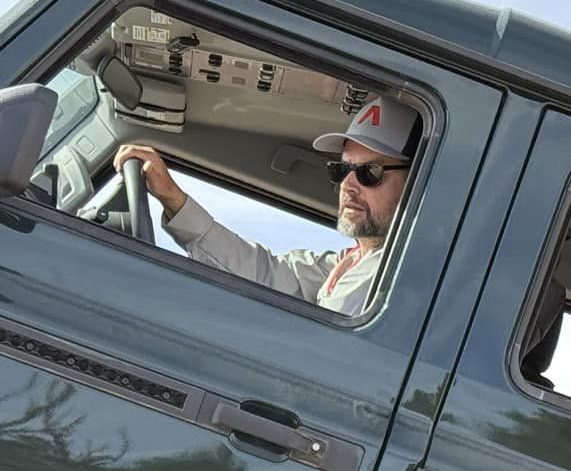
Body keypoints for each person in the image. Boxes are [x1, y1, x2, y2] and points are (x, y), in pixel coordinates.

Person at [112, 97, 419, 314]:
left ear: (418, 184)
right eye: (341, 170)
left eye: (370, 173)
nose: (348, 186)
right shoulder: (348, 262)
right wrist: (174, 201)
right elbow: (267, 272)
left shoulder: (403, 278)